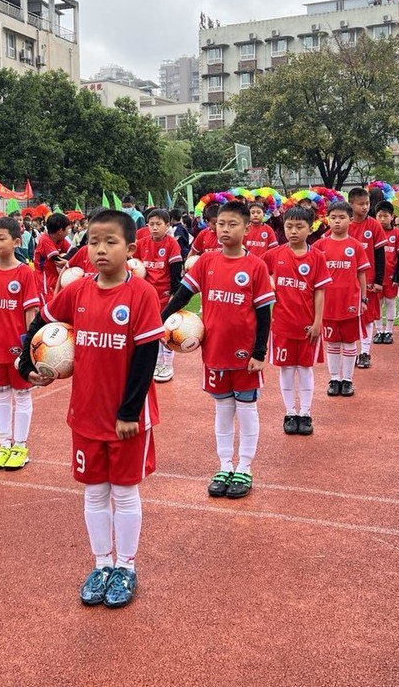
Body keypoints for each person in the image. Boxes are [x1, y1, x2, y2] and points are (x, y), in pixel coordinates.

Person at [17, 208, 164, 608]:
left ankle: (126, 568)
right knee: (95, 492)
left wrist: (129, 412)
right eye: (94, 241)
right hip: (85, 413)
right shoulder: (78, 290)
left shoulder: (141, 294)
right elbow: (42, 321)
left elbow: (145, 358)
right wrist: (26, 363)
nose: (99, 249)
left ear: (130, 249)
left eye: (110, 242)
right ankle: (101, 565)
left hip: (126, 417)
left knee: (125, 492)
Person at [162, 200, 274, 499]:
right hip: (213, 352)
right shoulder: (206, 263)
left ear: (247, 228)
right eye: (220, 224)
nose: (225, 229)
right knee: (223, 409)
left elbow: (264, 313)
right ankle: (224, 464)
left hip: (245, 354)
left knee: (247, 409)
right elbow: (182, 296)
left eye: (232, 224)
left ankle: (245, 468)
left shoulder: (256, 266)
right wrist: (159, 322)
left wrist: (260, 352)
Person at [0, 217, 41, 470]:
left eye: (1, 238)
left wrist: (29, 350)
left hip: (18, 350)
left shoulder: (25, 273)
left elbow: (31, 313)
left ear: (17, 241)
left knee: (22, 394)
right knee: (1, 398)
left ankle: (20, 445)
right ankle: (4, 444)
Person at [264, 206, 329, 436]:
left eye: (299, 227)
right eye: (289, 226)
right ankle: (290, 412)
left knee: (305, 368)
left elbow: (320, 291)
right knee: (287, 370)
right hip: (281, 324)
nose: (293, 231)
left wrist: (318, 322)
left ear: (310, 228)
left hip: (308, 326)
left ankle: (306, 413)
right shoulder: (275, 254)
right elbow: (257, 272)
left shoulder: (317, 257)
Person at [314, 201, 370, 397]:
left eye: (341, 217)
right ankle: (334, 379)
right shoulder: (320, 245)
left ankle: (347, 380)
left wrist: (364, 299)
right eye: (333, 217)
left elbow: (361, 274)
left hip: (350, 302)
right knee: (332, 342)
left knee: (349, 342)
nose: (337, 221)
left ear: (350, 220)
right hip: (327, 303)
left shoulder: (355, 246)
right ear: (327, 219)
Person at [134, 208, 184, 382]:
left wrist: (174, 294)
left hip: (164, 294)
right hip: (146, 296)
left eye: (158, 224)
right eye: (151, 224)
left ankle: (167, 365)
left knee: (165, 330)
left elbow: (175, 270)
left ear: (167, 225)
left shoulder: (171, 244)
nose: (154, 228)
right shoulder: (141, 243)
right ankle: (154, 363)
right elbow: (135, 265)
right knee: (150, 330)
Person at [347, 187, 385, 368]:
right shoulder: (344, 224)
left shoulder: (374, 225)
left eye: (367, 204)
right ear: (351, 204)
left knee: (368, 317)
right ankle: (352, 352)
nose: (365, 207)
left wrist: (378, 280)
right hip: (347, 282)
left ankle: (365, 352)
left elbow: (380, 254)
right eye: (361, 204)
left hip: (368, 281)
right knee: (350, 317)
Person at [373, 201, 399, 344]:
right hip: (376, 277)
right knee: (377, 303)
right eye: (379, 216)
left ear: (392, 216)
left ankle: (389, 331)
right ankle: (379, 331)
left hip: (391, 275)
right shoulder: (373, 233)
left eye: (385, 216)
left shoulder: (397, 233)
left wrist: (398, 277)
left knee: (390, 302)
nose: (382, 219)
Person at [34, 212, 71, 301]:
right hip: (44, 283)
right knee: (47, 310)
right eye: (67, 229)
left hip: (55, 280)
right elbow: (57, 260)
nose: (68, 232)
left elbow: (74, 251)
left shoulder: (61, 240)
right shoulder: (45, 239)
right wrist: (68, 262)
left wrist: (68, 261)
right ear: (60, 231)